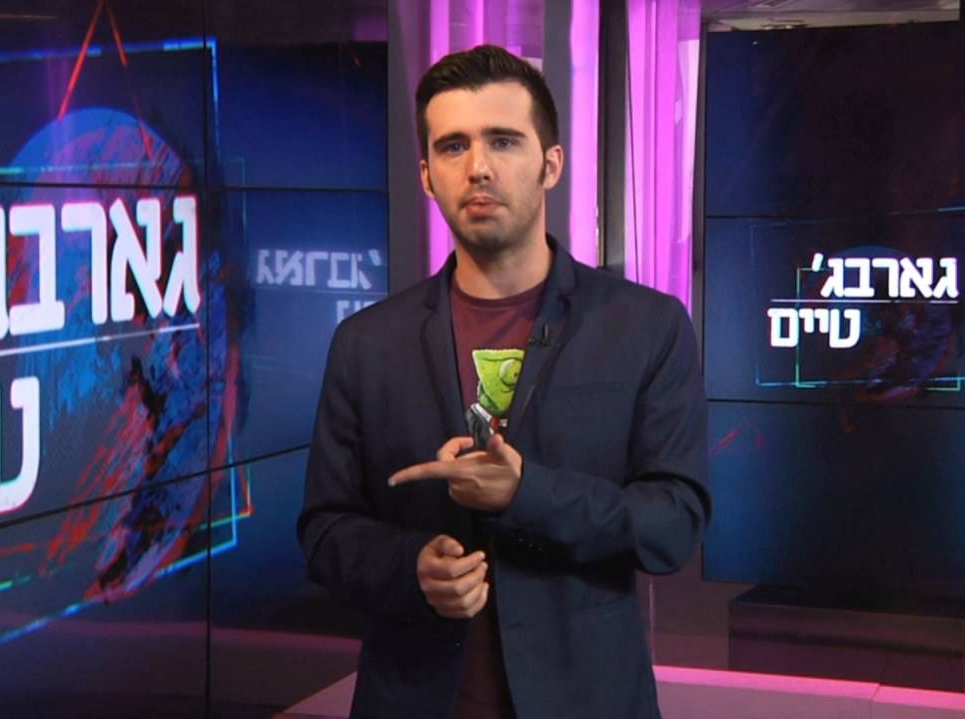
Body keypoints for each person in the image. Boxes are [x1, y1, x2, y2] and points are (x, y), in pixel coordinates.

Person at [297, 44, 709, 719]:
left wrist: (526, 493)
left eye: (503, 141)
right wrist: (410, 565)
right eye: (453, 146)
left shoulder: (646, 326)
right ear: (427, 175)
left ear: (551, 164)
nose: (479, 167)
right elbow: (325, 530)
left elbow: (672, 523)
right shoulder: (366, 342)